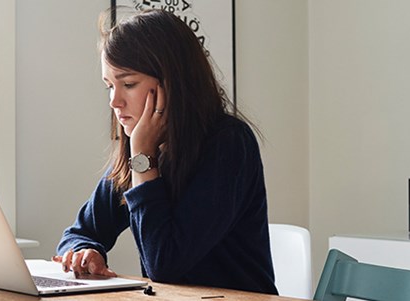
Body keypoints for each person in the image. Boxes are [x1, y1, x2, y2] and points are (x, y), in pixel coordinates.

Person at [52, 9, 278, 295]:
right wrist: (84, 250)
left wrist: (144, 158)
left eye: (128, 84)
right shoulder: (140, 149)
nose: (114, 101)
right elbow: (80, 231)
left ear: (172, 83)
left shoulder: (229, 143)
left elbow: (165, 266)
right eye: (109, 86)